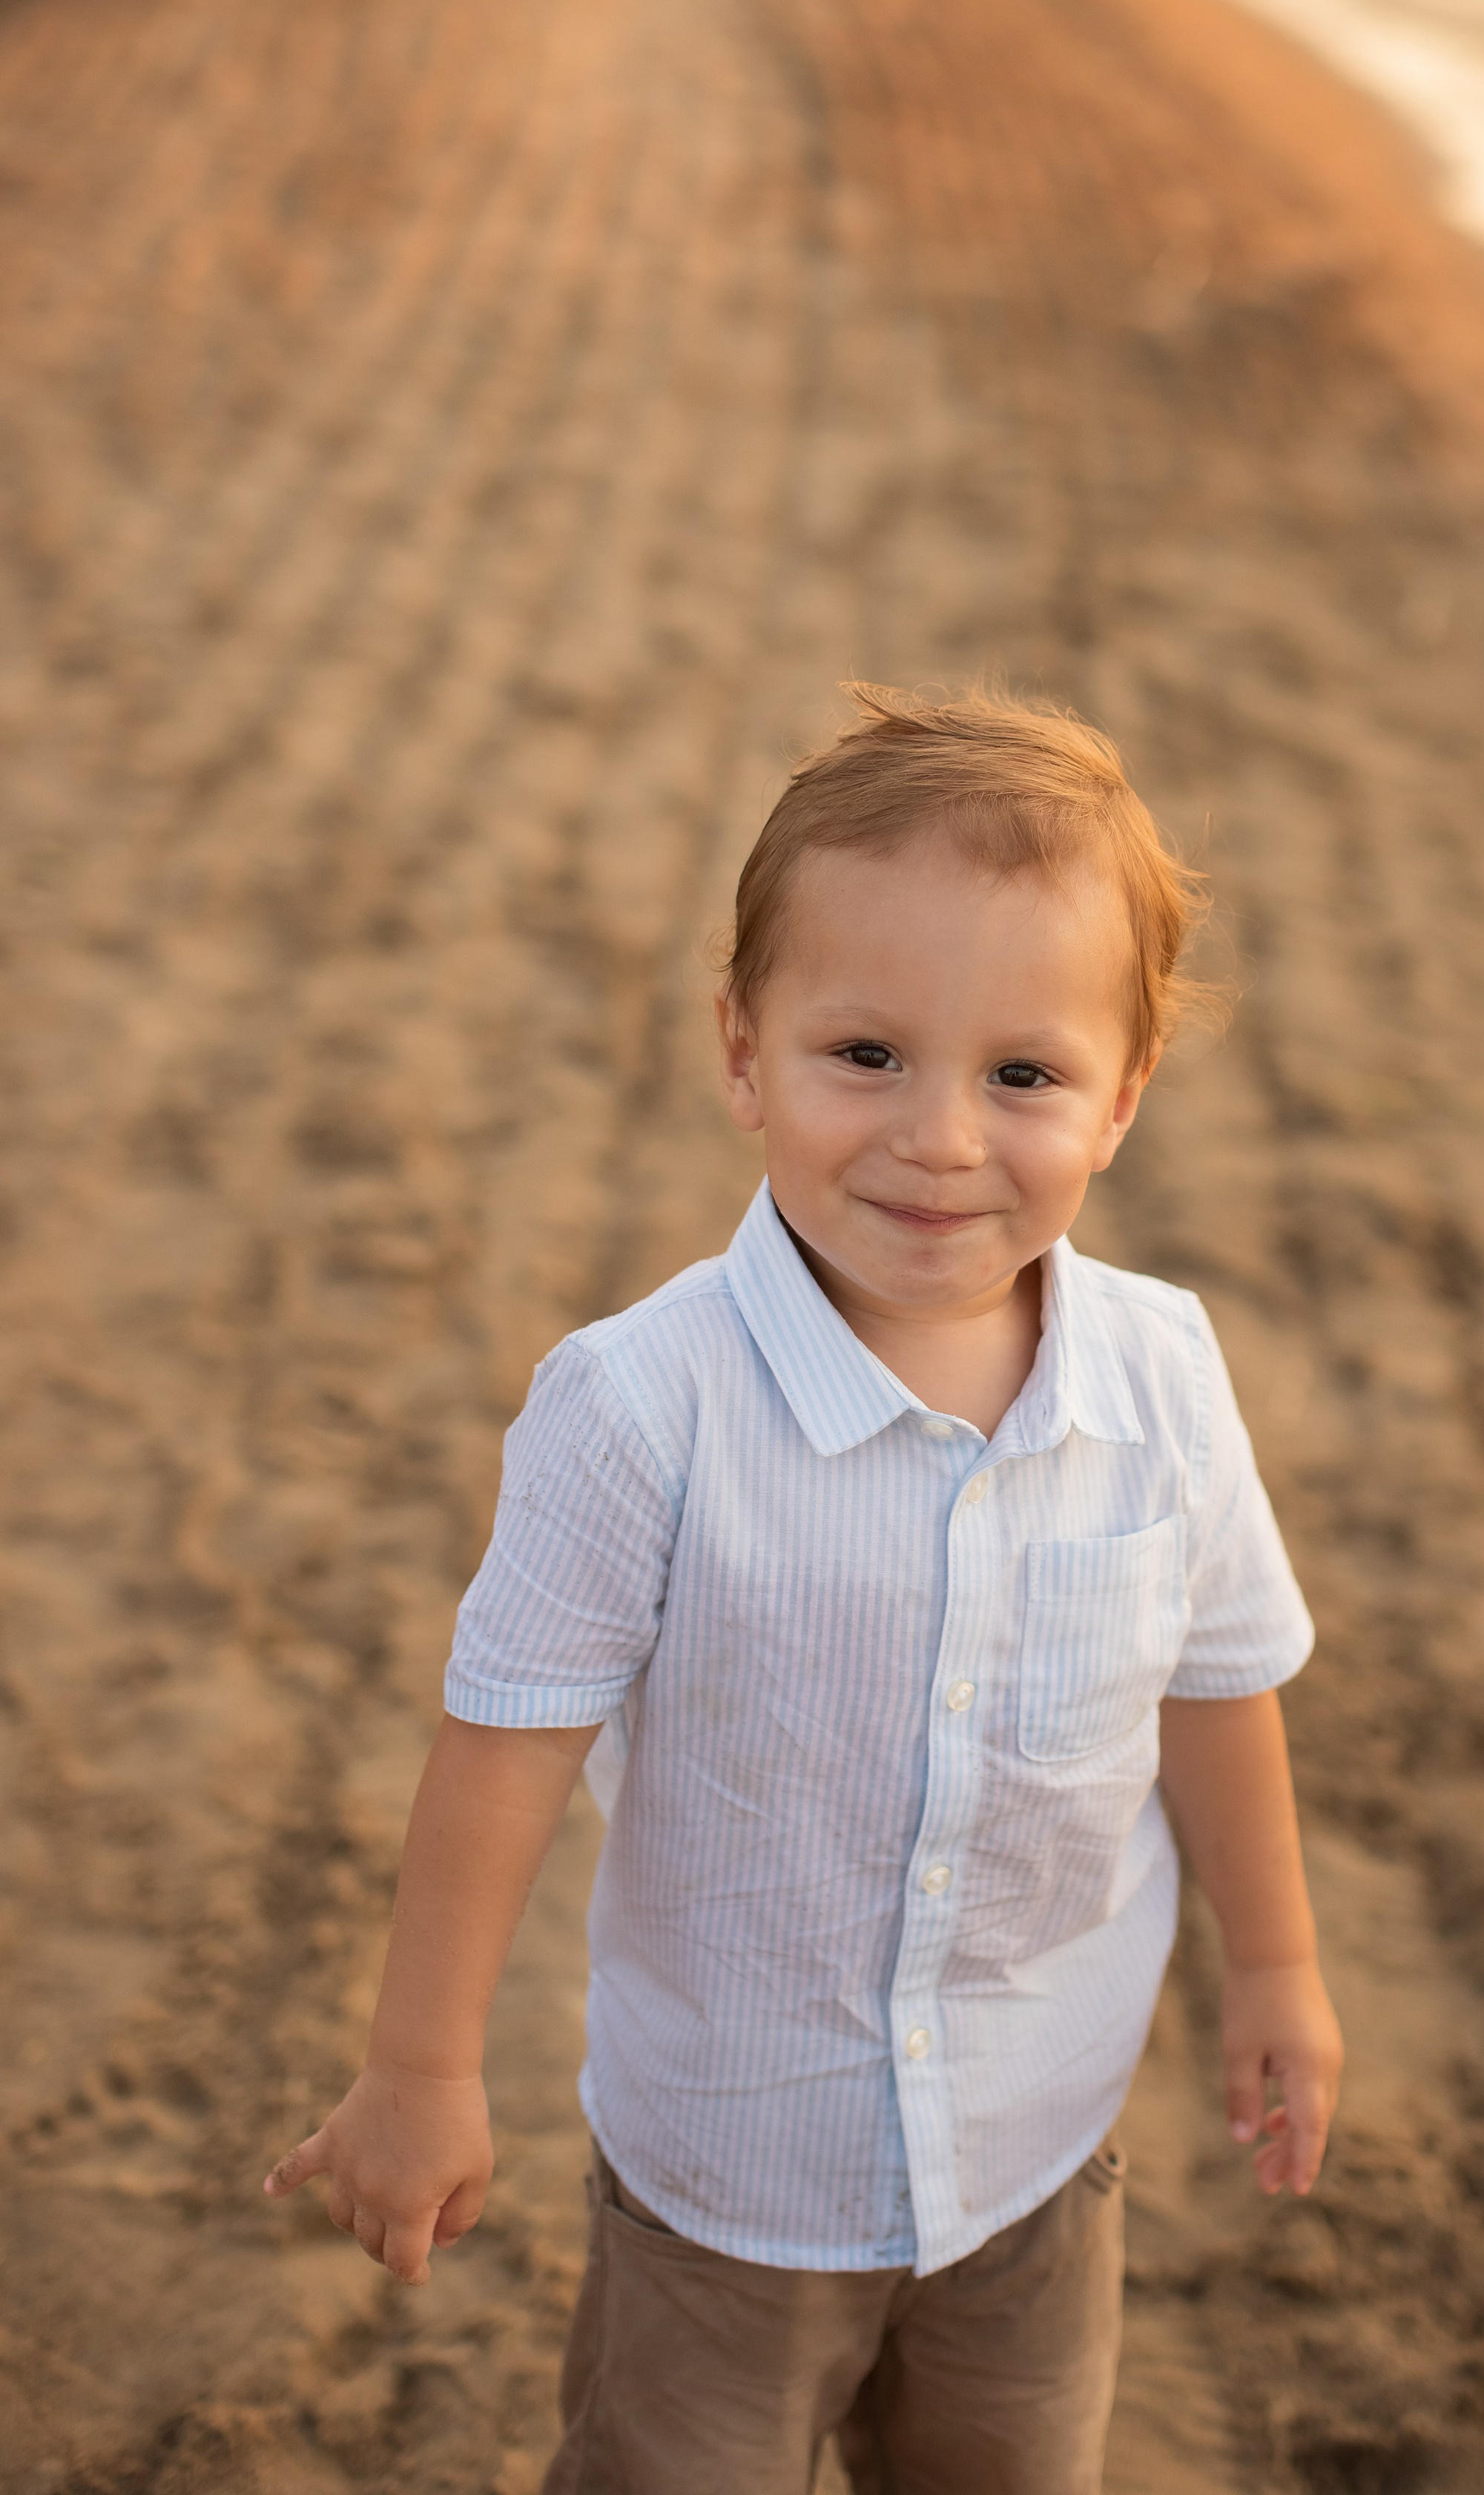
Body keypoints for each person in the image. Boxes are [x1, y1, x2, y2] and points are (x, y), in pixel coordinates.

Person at [266, 683, 1342, 2494]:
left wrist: (1277, 1964)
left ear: (1120, 1102)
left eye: (1021, 1075)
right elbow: (505, 1737)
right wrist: (420, 2067)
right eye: (866, 1056)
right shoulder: (641, 1408)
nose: (938, 1138)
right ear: (744, 1054)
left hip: (1032, 2153)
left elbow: (1212, 1681)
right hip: (726, 2188)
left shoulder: (1159, 1378)